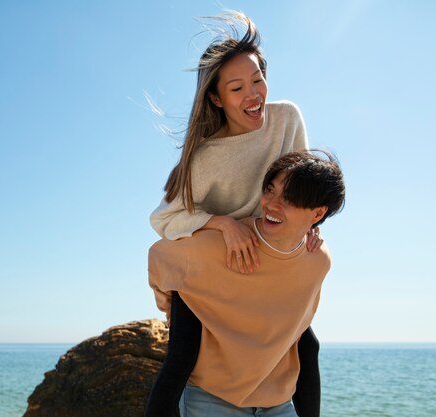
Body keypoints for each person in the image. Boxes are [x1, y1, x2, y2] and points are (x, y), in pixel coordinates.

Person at [146, 11, 321, 417]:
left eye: (257, 79)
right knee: (183, 353)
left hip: (268, 251)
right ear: (216, 98)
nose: (252, 94)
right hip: (214, 263)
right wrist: (222, 223)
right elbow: (164, 220)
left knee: (306, 344)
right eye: (237, 87)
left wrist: (313, 224)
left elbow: (303, 178)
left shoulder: (287, 119)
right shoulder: (206, 158)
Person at [149, 151, 346, 417]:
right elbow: (160, 256)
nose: (271, 205)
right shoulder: (222, 246)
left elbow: (298, 330)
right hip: (212, 398)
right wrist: (182, 307)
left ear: (317, 214)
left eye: (289, 199)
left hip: (278, 402)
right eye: (270, 190)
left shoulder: (317, 260)